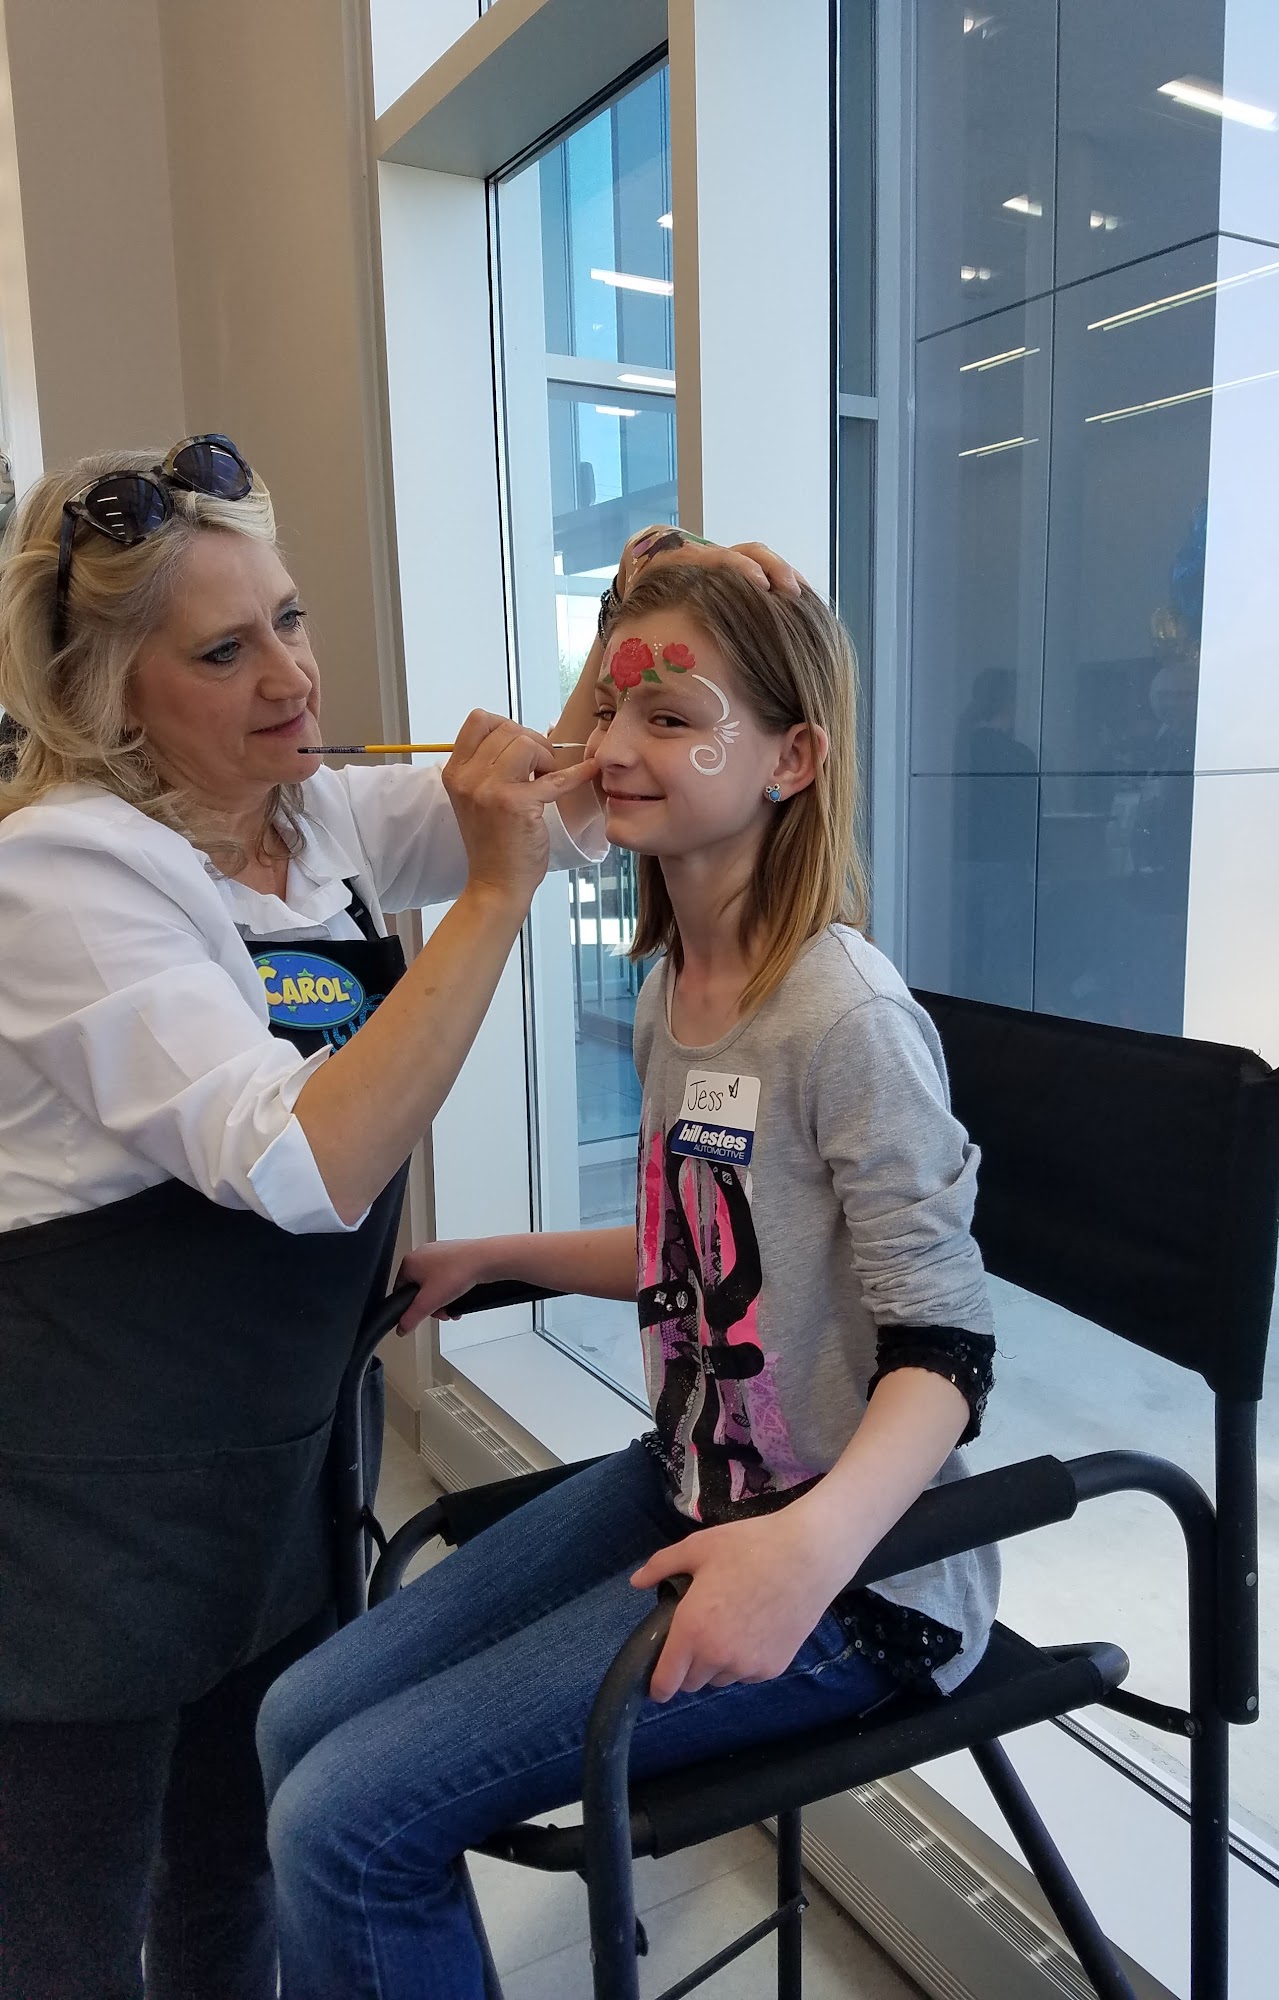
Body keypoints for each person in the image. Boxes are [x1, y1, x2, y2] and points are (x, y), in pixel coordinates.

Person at [0, 432, 797, 2000]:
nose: (291, 677)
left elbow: (561, 796)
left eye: (290, 619)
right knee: (66, 1920)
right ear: (109, 695)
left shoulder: (310, 818)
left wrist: (629, 633)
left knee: (236, 1861)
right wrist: (493, 895)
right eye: (224, 652)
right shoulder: (64, 873)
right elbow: (309, 1164)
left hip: (273, 1462)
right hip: (81, 1506)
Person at [256, 562, 1000, 1998]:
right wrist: (498, 1256)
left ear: (792, 759)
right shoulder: (676, 991)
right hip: (690, 1485)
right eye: (609, 710)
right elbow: (699, 1253)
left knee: (347, 1829)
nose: (611, 747)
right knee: (295, 1720)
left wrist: (804, 1555)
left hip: (856, 1579)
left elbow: (949, 1353)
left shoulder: (846, 1019)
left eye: (671, 716)